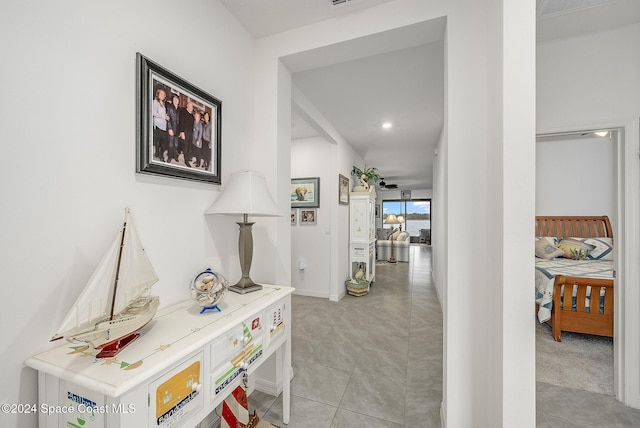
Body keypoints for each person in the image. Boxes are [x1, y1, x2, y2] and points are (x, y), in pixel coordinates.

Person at [152, 88, 168, 161]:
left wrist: (166, 116)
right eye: (161, 94)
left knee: (161, 141)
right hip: (158, 124)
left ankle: (157, 153)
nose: (163, 95)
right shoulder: (155, 102)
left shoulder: (163, 103)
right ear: (158, 94)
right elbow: (154, 113)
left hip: (163, 125)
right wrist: (163, 116)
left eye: (164, 94)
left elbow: (163, 114)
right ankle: (161, 156)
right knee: (160, 141)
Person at [178, 101, 195, 167]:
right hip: (185, 132)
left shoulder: (191, 115)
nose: (191, 107)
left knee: (189, 146)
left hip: (190, 133)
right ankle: (186, 160)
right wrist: (182, 132)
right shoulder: (184, 112)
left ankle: (187, 157)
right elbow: (181, 122)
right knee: (185, 146)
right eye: (190, 106)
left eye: (192, 106)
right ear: (187, 106)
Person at [165, 94, 180, 163]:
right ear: (172, 100)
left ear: (179, 101)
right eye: (174, 99)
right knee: (171, 144)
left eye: (177, 99)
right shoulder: (170, 107)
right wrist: (170, 128)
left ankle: (175, 156)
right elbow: (168, 118)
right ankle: (170, 157)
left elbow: (181, 121)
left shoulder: (180, 110)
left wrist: (180, 131)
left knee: (176, 144)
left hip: (177, 130)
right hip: (171, 128)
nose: (176, 100)